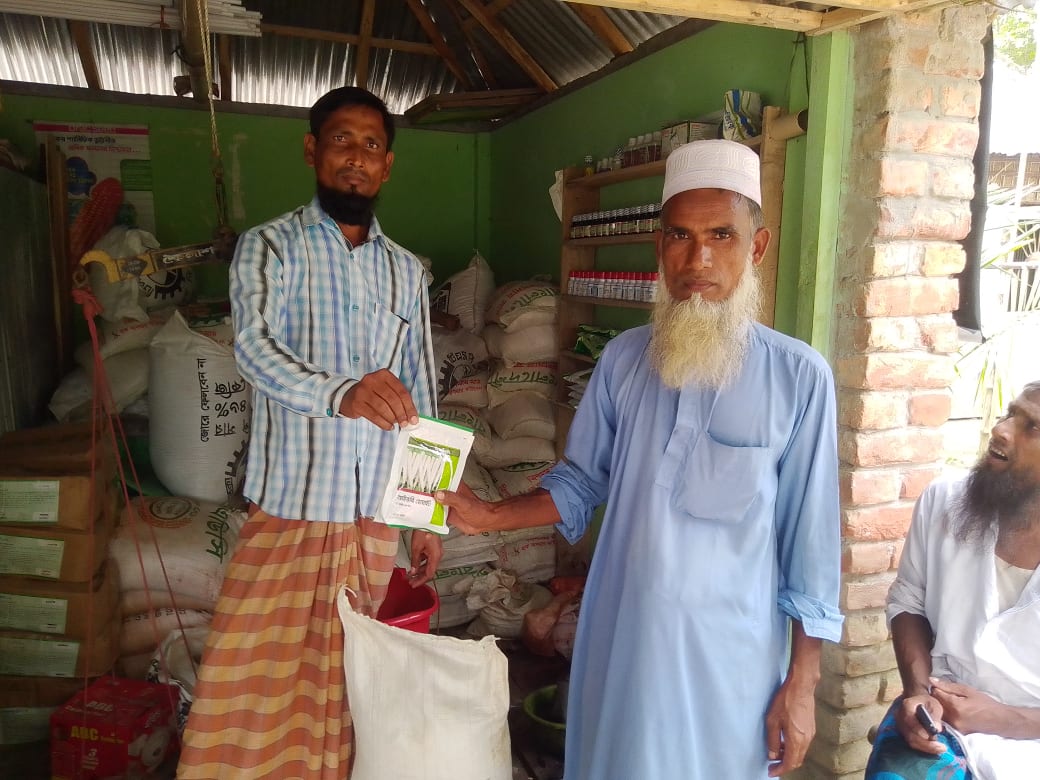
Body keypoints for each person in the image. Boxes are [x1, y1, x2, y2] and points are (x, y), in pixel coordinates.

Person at [438, 138, 843, 779]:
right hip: (621, 643)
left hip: (729, 664)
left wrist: (802, 683)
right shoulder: (623, 360)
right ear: (659, 249)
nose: (698, 258)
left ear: (756, 248)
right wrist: (487, 518)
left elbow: (810, 545)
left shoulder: (799, 378)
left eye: (722, 236)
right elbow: (577, 483)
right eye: (679, 236)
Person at [177, 86, 442, 780]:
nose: (356, 158)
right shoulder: (269, 249)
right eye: (341, 141)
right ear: (311, 151)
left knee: (357, 681)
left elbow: (422, 395)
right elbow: (255, 350)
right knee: (252, 670)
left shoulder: (406, 272)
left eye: (372, 145)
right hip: (292, 503)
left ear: (388, 166)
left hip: (372, 517)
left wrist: (426, 516)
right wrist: (341, 393)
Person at [864, 382, 1040, 780]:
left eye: (1032, 426)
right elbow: (907, 600)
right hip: (941, 722)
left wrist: (1005, 719)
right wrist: (919, 694)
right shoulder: (945, 501)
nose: (1003, 429)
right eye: (1011, 413)